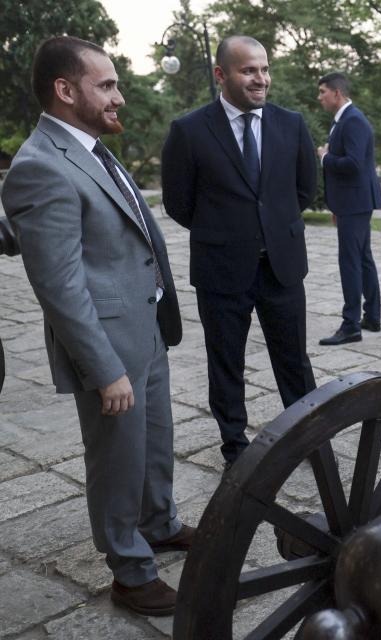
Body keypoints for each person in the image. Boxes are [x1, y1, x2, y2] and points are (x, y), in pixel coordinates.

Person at [1, 36, 194, 615]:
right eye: (106, 85)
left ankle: (158, 524)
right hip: (108, 341)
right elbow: (59, 288)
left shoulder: (88, 148)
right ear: (66, 91)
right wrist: (104, 369)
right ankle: (131, 573)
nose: (120, 96)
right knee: (116, 458)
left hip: (147, 325)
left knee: (154, 441)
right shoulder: (40, 166)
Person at [161, 35, 318, 469]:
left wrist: (270, 228)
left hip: (282, 267)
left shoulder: (291, 124)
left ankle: (307, 438)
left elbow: (304, 188)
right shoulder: (189, 131)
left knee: (293, 360)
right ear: (221, 75)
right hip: (221, 268)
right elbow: (179, 202)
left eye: (264, 69)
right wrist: (228, 233)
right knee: (225, 362)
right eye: (249, 70)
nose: (261, 79)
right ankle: (234, 445)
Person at [316, 73, 381, 346]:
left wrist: (325, 157)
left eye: (322, 92)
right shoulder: (346, 119)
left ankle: (351, 325)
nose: (319, 97)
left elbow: (354, 164)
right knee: (363, 258)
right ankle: (372, 317)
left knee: (350, 262)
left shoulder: (352, 120)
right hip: (352, 201)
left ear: (336, 93)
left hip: (355, 202)